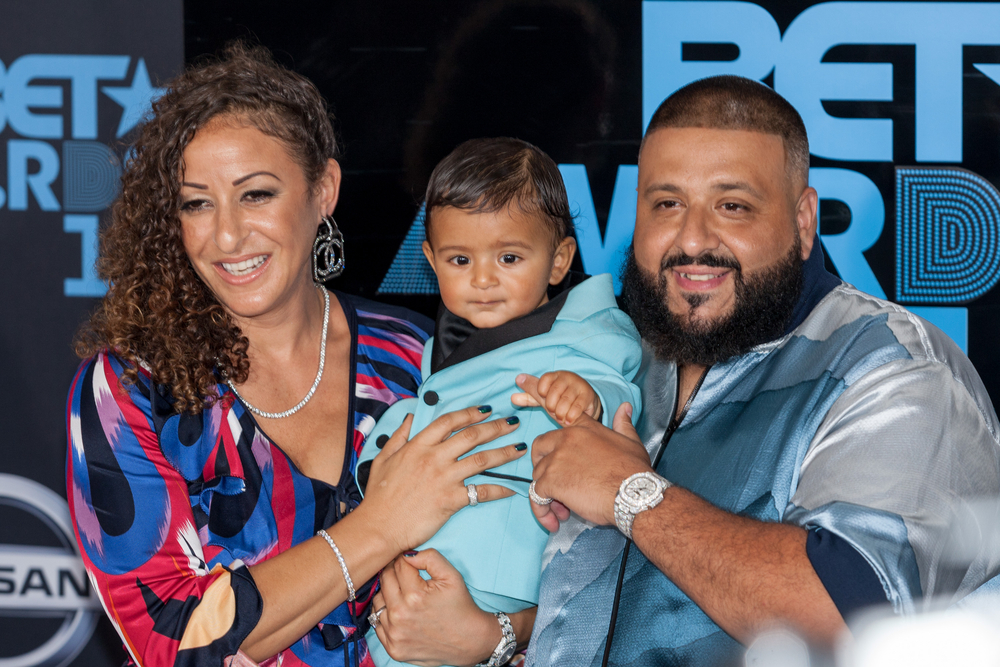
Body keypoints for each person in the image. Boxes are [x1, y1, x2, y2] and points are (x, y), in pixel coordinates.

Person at [65, 44, 533, 667]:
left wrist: (498, 635)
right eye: (196, 203)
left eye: (256, 195)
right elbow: (172, 642)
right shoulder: (133, 388)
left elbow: (542, 552)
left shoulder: (417, 357)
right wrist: (382, 524)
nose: (227, 235)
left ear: (324, 190)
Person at [519, 75, 1000, 666]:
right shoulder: (609, 352)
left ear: (803, 221)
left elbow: (849, 622)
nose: (692, 239)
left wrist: (630, 492)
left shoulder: (892, 369)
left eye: (733, 206)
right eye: (667, 204)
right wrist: (497, 634)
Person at [356, 138, 643, 667]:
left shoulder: (588, 329)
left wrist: (589, 399)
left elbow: (619, 387)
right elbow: (428, 412)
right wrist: (380, 462)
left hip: (504, 574)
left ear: (558, 260)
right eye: (460, 259)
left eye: (509, 257)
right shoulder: (441, 342)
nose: (483, 279)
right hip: (421, 568)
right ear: (431, 261)